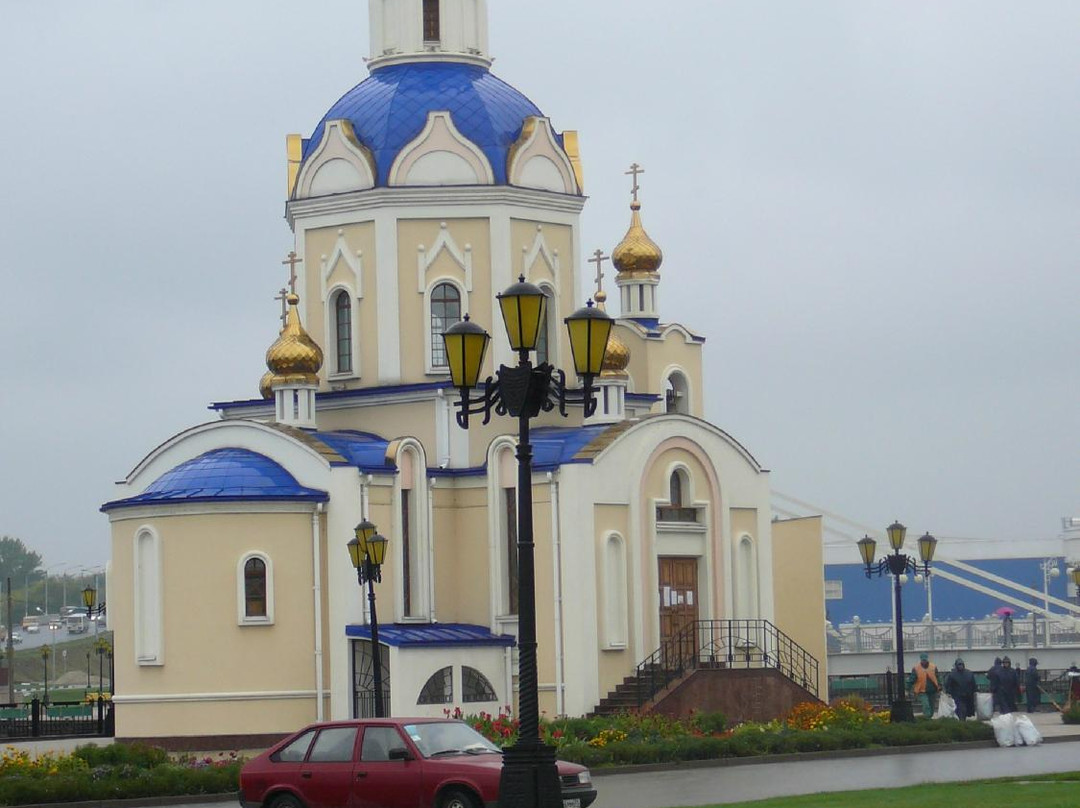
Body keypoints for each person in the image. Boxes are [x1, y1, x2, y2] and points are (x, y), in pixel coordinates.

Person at [908, 653, 940, 718]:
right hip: (921, 691)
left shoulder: (933, 667)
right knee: (926, 705)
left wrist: (940, 686)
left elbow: (938, 677)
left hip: (932, 690)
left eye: (925, 660)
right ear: (921, 660)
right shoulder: (916, 668)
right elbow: (912, 679)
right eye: (923, 660)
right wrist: (907, 688)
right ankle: (927, 719)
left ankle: (929, 717)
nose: (924, 662)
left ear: (927, 659)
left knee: (932, 706)